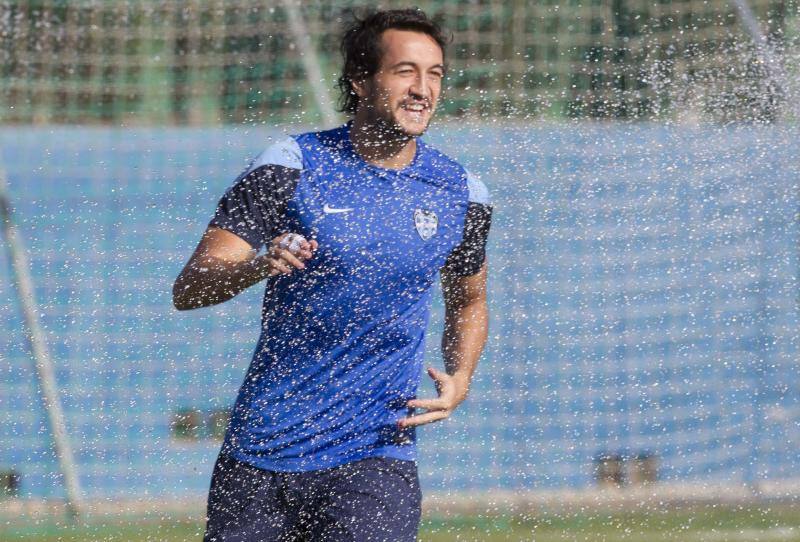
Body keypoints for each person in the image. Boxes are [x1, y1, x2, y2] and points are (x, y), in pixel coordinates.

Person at [172, 8, 492, 541]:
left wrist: (461, 379)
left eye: (434, 73)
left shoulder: (462, 191)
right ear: (361, 82)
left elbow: (468, 300)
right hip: (263, 450)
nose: (423, 89)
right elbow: (191, 286)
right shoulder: (293, 163)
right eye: (405, 71)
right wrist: (257, 266)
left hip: (375, 453)